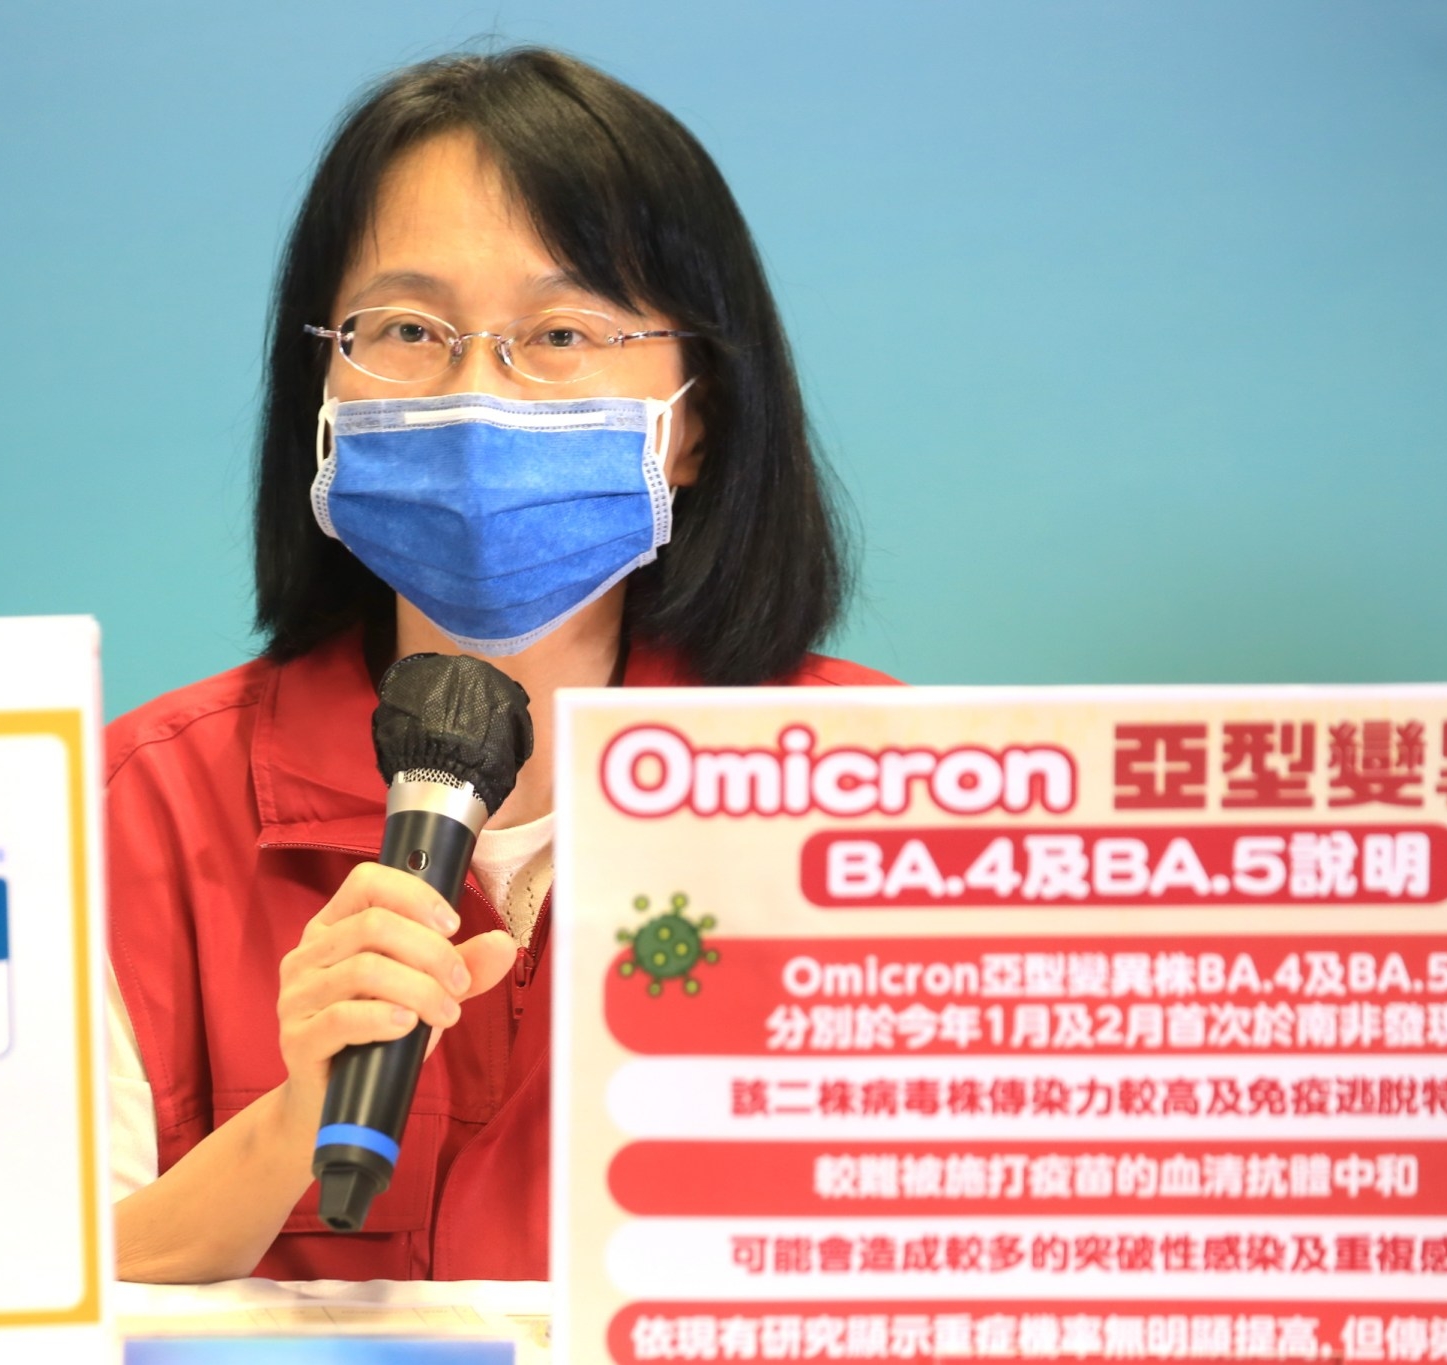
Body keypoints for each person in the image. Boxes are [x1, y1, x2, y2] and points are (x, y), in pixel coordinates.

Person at [107, 46, 896, 1284]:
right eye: (407, 331)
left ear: (693, 421)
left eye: (559, 332)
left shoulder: (876, 784)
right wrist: (289, 1121)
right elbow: (8, 1301)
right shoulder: (132, 814)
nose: (476, 397)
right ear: (321, 391)